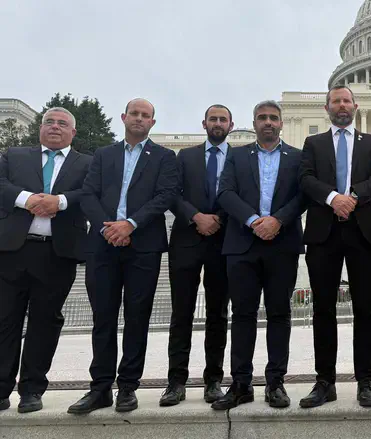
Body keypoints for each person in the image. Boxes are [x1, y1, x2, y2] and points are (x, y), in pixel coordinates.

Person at [68, 98, 179, 414]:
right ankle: (100, 388)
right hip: (103, 245)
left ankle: (128, 386)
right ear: (124, 117)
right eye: (135, 114)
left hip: (142, 245)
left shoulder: (163, 157)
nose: (139, 119)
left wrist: (130, 224)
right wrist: (108, 228)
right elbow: (88, 194)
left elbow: (165, 196)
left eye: (146, 116)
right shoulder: (104, 155)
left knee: (137, 317)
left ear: (152, 123)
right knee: (103, 318)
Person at [210, 100, 305, 410]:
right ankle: (240, 383)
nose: (268, 122)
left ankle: (275, 382)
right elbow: (225, 193)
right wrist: (254, 221)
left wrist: (277, 221)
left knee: (280, 314)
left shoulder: (297, 158)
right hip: (243, 244)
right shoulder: (236, 156)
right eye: (262, 118)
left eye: (273, 118)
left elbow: (302, 196)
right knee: (242, 315)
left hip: (282, 244)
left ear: (281, 123)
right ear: (254, 123)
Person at [298, 86, 371, 408]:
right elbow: (305, 178)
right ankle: (325, 382)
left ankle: (366, 381)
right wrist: (332, 198)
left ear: (355, 106)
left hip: (362, 230)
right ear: (327, 107)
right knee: (323, 309)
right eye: (336, 101)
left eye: (346, 100)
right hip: (324, 232)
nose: (341, 105)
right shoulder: (314, 143)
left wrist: (353, 196)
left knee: (365, 308)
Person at [0, 108, 91, 413]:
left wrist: (60, 202)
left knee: (45, 322)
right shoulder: (14, 155)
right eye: (49, 122)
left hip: (56, 254)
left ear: (72, 133)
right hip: (12, 250)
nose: (55, 127)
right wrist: (28, 200)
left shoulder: (87, 164)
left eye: (62, 123)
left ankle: (32, 390)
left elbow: (90, 193)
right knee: (4, 320)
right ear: (40, 128)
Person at [160, 105, 233, 407]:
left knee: (218, 314)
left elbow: (245, 194)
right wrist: (196, 216)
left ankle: (213, 380)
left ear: (231, 125)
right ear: (204, 124)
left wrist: (218, 219)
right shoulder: (185, 156)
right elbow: (172, 194)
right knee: (181, 314)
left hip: (224, 240)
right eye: (213, 119)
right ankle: (176, 381)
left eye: (223, 119)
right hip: (187, 240)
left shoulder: (239, 158)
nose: (217, 123)